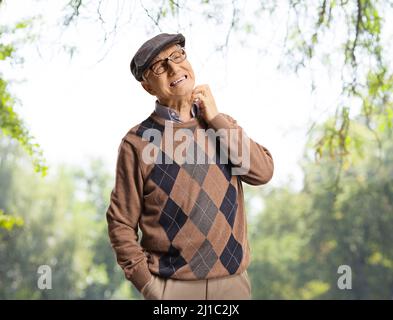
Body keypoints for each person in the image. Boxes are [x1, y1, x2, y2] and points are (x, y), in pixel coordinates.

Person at [106, 33, 274, 300]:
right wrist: (150, 286)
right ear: (147, 86)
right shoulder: (136, 143)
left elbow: (262, 172)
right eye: (159, 66)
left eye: (177, 56)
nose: (174, 68)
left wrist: (216, 118)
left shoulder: (221, 124)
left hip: (233, 286)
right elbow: (120, 222)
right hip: (172, 289)